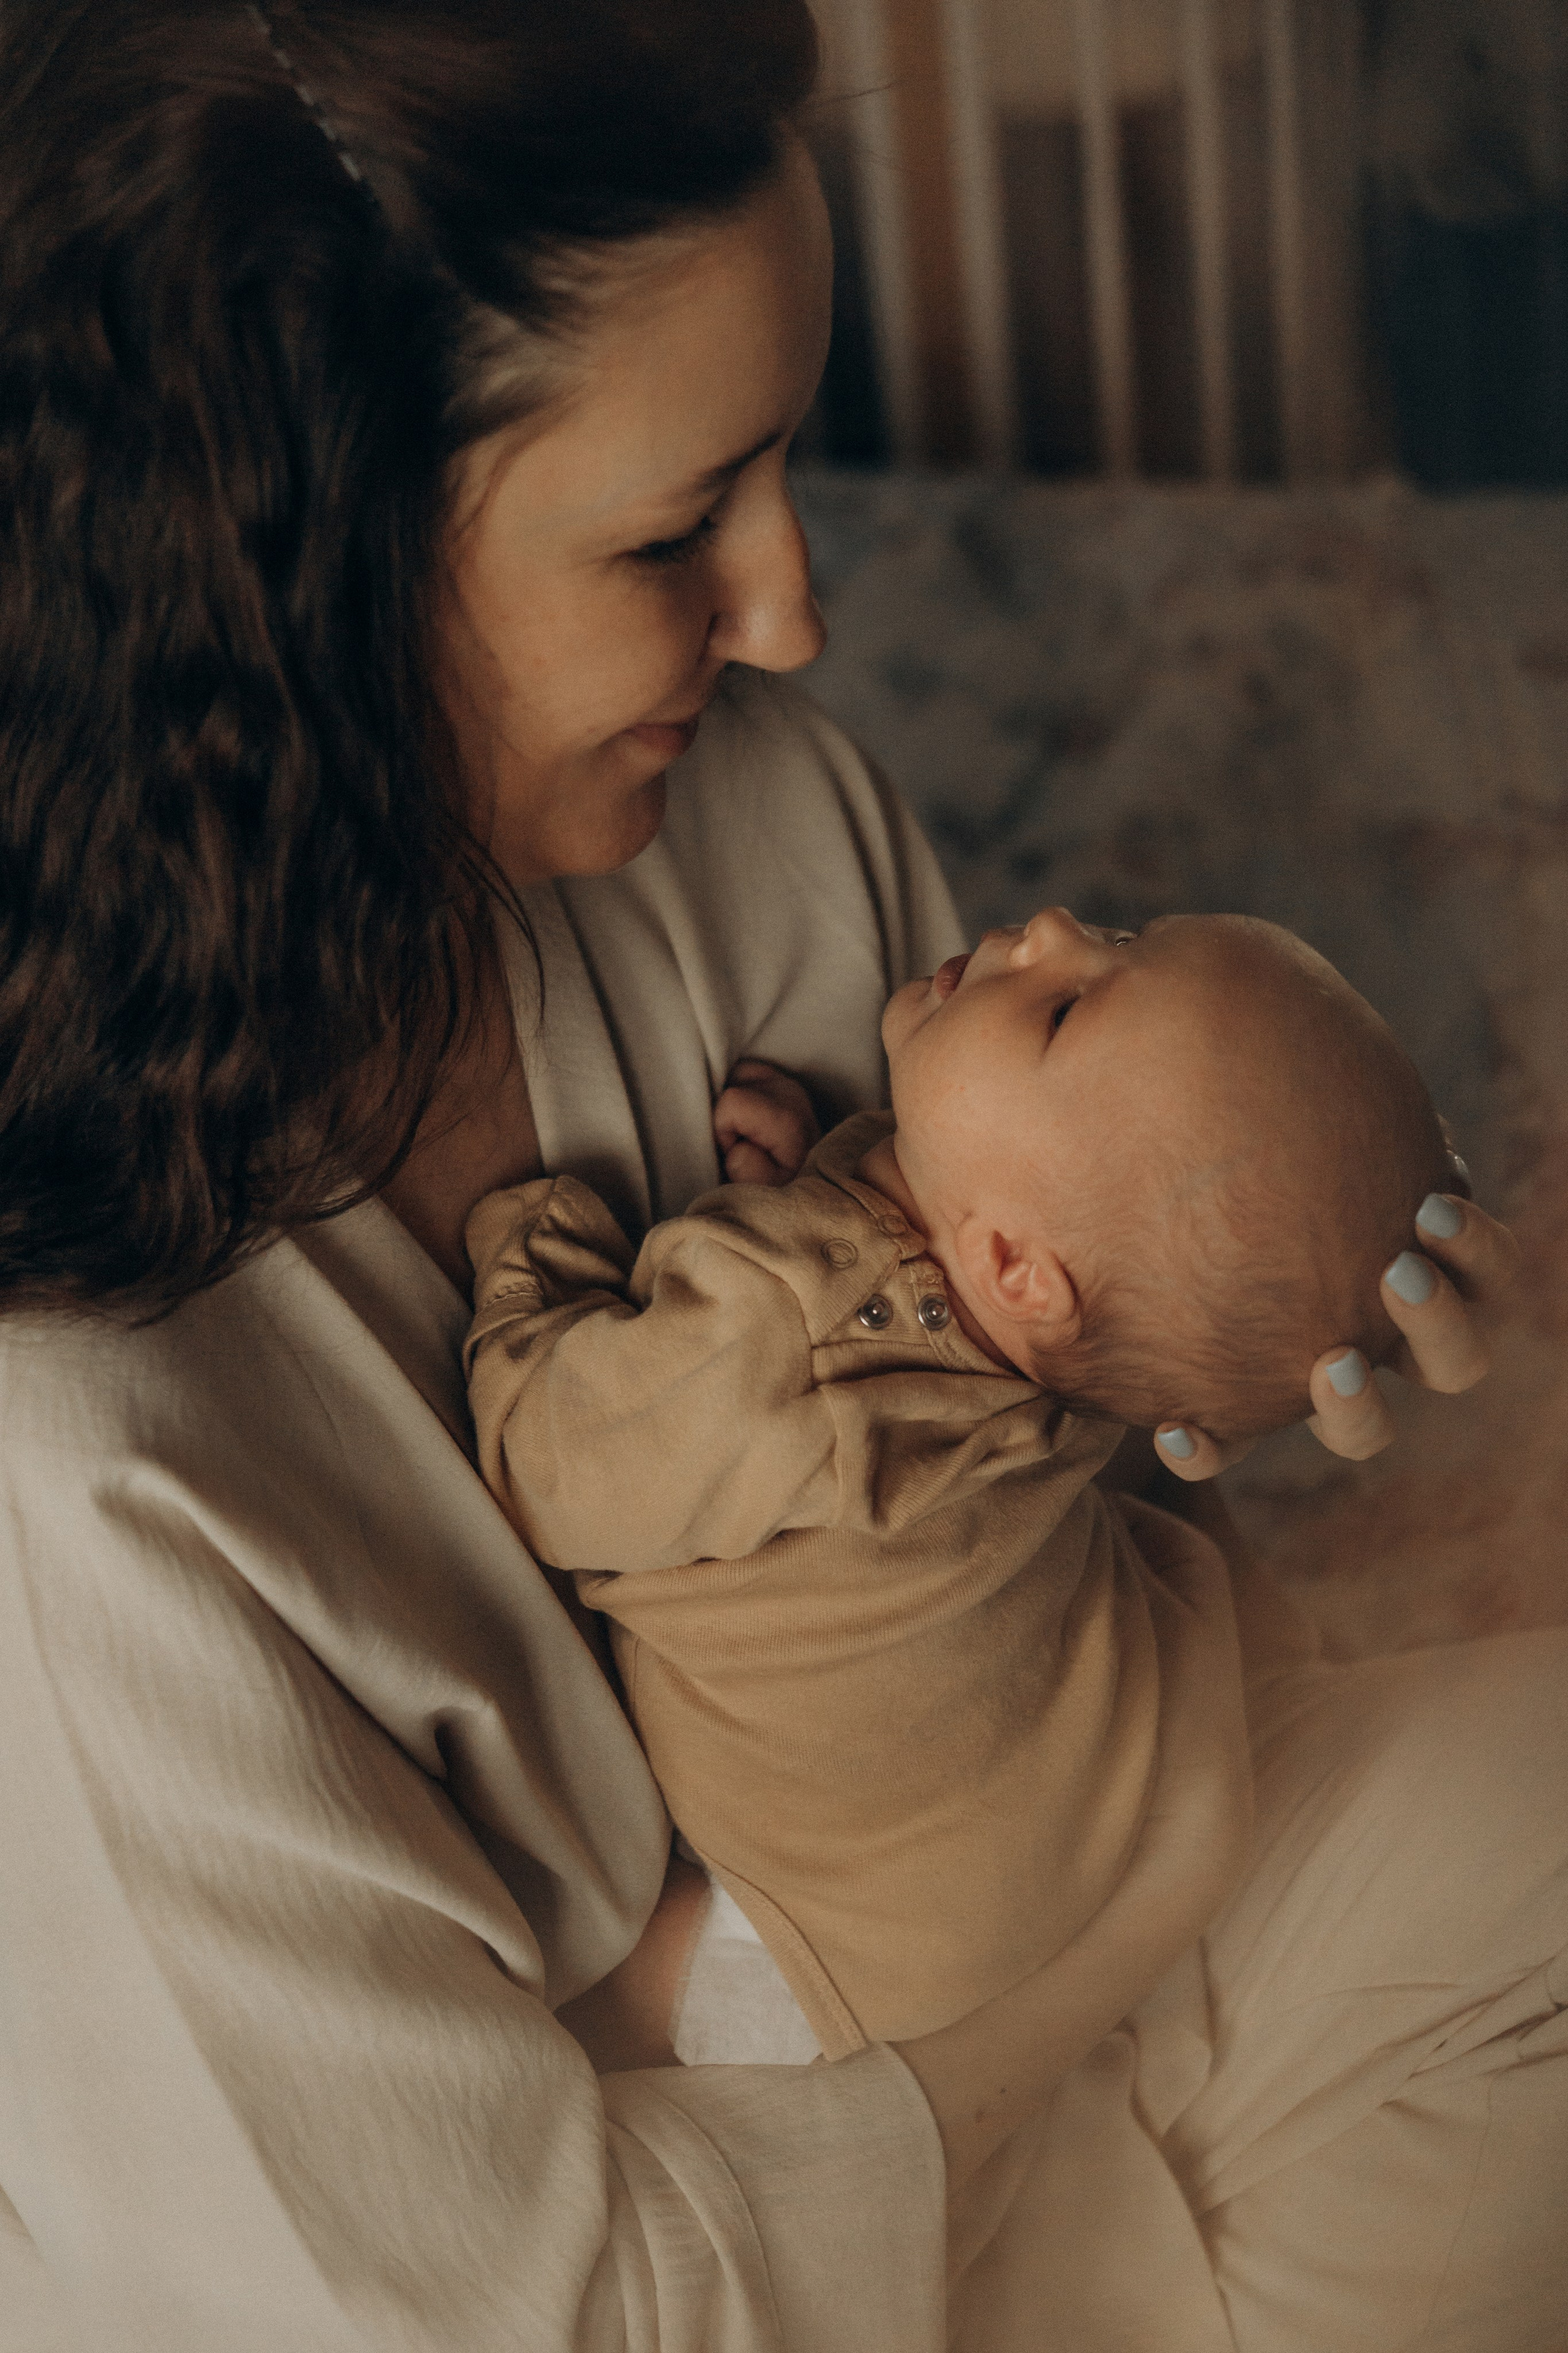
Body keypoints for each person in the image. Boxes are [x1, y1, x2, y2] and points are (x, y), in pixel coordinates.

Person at [0, 6, 1556, 2351]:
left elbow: (1026, 1482)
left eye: (782, 474)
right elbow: (524, 2304)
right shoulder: (74, 1468)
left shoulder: (737, 817)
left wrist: (1198, 1375)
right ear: (292, 567)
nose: (794, 615)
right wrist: (1103, 1894)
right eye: (668, 530)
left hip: (949, 2073)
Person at [460, 909, 1452, 2056]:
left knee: (591, 2003)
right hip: (1077, 1798)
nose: (1049, 929)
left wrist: (538, 1247)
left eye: (1066, 1007)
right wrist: (824, 1169)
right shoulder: (1068, 1326)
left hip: (847, 1940)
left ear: (1017, 1268)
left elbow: (548, 1467)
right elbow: (917, 1346)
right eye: (1118, 934)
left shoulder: (784, 1336)